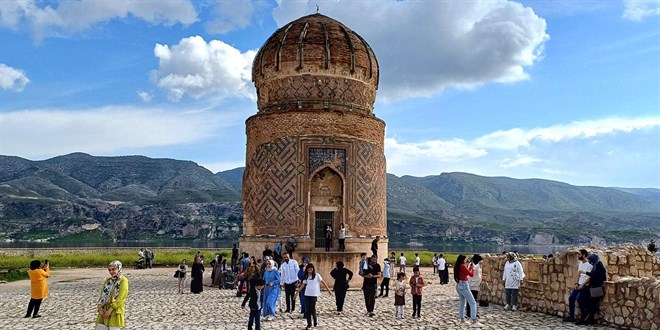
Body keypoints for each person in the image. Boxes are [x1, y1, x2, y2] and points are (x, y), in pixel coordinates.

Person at [297, 263, 332, 330]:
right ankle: (309, 324)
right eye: (308, 269)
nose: (310, 270)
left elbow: (323, 282)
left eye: (311, 269)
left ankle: (315, 319)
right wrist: (296, 293)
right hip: (307, 294)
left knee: (312, 309)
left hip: (314, 295)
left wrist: (329, 290)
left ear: (313, 269)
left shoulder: (317, 275)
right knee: (307, 310)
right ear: (307, 270)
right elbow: (303, 285)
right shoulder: (306, 276)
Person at [96, 260, 129, 330]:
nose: (111, 272)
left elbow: (121, 298)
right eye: (109, 270)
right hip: (104, 311)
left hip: (115, 312)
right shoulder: (108, 281)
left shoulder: (123, 280)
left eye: (113, 269)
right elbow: (102, 295)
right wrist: (100, 308)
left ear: (119, 269)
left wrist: (110, 310)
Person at [454, 254, 485, 328]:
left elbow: (466, 273)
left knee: (462, 302)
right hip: (464, 285)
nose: (466, 261)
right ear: (462, 260)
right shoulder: (462, 266)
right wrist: (473, 268)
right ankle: (474, 321)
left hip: (459, 285)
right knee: (473, 302)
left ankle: (462, 319)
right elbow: (471, 274)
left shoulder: (457, 266)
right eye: (465, 260)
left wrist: (470, 268)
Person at [577, 253, 607, 326]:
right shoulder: (595, 265)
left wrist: (585, 272)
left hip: (597, 287)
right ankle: (584, 318)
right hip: (593, 286)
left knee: (592, 303)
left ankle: (589, 319)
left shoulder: (598, 265)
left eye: (590, 260)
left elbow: (595, 275)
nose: (590, 262)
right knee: (582, 299)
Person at [563, 249, 592, 322]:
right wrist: (576, 283)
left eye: (579, 254)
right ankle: (571, 316)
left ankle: (583, 317)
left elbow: (589, 278)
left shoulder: (589, 266)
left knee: (579, 299)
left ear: (584, 255)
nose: (578, 256)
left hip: (584, 285)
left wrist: (582, 285)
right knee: (571, 298)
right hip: (579, 284)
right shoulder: (580, 264)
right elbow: (578, 274)